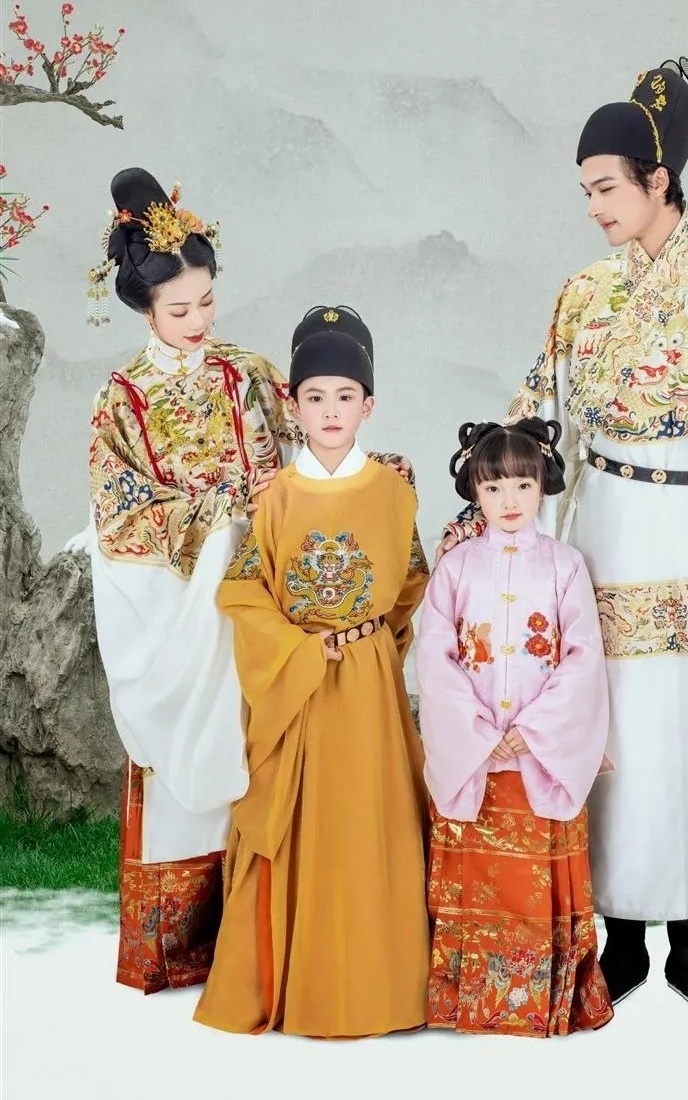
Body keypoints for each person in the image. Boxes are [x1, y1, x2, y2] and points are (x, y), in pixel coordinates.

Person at [437, 59, 688, 1014]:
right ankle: (616, 937)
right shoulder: (583, 295)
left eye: (605, 187)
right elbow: (538, 416)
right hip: (608, 528)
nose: (592, 207)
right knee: (607, 721)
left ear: (660, 181)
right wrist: (485, 511)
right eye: (584, 190)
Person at [86, 168, 304, 994]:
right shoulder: (122, 399)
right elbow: (120, 510)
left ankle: (261, 936)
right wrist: (216, 518)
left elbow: (308, 446)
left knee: (263, 751)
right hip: (184, 603)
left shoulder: (247, 372)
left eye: (207, 301)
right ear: (146, 309)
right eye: (180, 310)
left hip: (260, 588)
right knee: (190, 774)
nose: (199, 322)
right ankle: (179, 947)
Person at [194, 305, 430, 1039]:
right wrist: (300, 651)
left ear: (369, 405)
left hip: (367, 688)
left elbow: (411, 583)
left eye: (345, 396)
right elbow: (241, 592)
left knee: (371, 822)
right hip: (299, 685)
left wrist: (371, 648)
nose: (331, 411)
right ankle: (298, 985)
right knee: (300, 825)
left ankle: (380, 989)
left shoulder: (394, 491)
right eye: (315, 397)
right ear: (293, 406)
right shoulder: (275, 497)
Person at [418, 417, 613, 1037]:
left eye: (523, 485)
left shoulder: (565, 565)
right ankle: (469, 1001)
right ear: (474, 490)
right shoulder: (455, 568)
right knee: (476, 877)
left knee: (536, 877)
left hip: (539, 753)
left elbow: (582, 655)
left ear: (543, 485)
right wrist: (477, 729)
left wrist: (534, 729)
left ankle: (541, 1000)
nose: (509, 499)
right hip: (474, 753)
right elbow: (435, 656)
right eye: (494, 486)